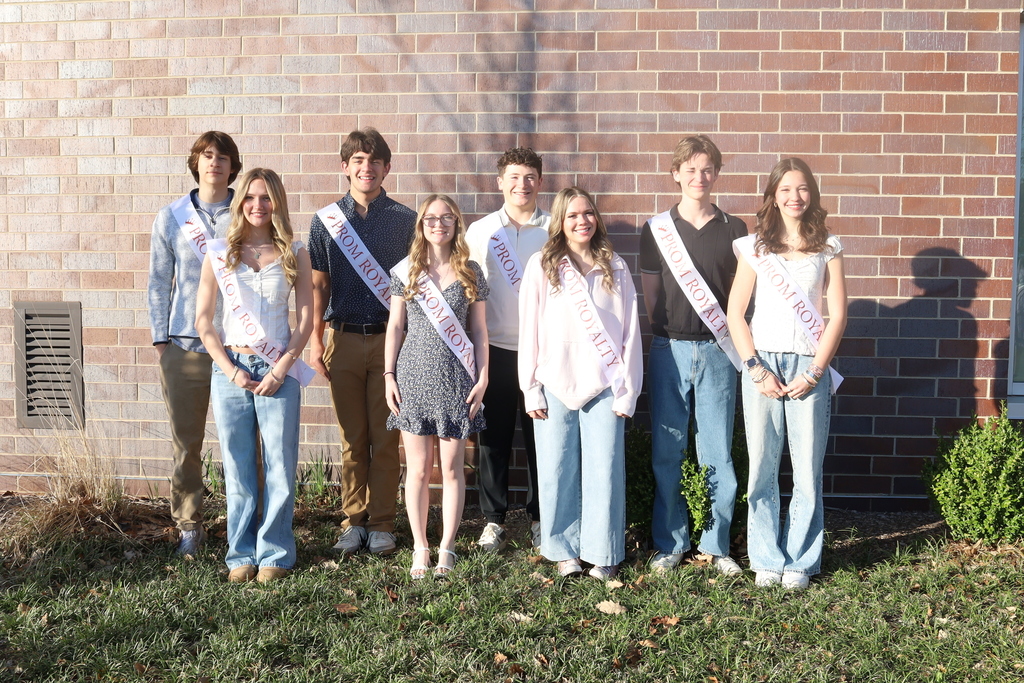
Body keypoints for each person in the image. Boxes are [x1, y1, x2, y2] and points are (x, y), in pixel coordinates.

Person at [726, 158, 847, 591]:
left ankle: (800, 559)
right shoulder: (754, 248)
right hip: (763, 366)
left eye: (803, 189)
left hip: (808, 367)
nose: (795, 197)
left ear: (812, 194)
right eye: (786, 190)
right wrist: (754, 367)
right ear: (773, 196)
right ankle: (765, 556)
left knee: (806, 468)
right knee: (761, 465)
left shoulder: (828, 246)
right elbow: (735, 314)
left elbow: (837, 316)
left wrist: (816, 371)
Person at [195, 168, 315, 583]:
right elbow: (204, 322)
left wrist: (282, 368)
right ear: (239, 201)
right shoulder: (219, 254)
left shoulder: (295, 252)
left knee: (280, 464)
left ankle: (276, 554)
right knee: (238, 465)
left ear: (277, 202)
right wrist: (230, 371)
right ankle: (241, 553)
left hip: (278, 369)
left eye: (266, 198)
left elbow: (305, 320)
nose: (257, 205)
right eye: (250, 197)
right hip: (232, 368)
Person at [519, 187, 643, 580]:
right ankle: (563, 550)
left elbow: (630, 333)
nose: (582, 221)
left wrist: (628, 390)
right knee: (556, 470)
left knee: (605, 469)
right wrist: (530, 387)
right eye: (572, 215)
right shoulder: (542, 265)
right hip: (554, 383)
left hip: (604, 386)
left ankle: (602, 551)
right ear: (560, 221)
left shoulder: (616, 267)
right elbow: (529, 331)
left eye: (588, 213)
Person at [638, 136, 748, 576]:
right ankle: (670, 542)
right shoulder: (656, 229)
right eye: (690, 169)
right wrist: (671, 333)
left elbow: (743, 297)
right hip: (670, 348)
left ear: (716, 174)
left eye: (707, 169)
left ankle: (717, 543)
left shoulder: (736, 229)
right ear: (675, 174)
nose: (698, 177)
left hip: (720, 351)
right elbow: (652, 296)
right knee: (669, 449)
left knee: (717, 449)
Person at [307, 128, 416, 556]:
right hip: (344, 339)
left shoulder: (407, 221)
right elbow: (318, 286)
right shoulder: (326, 220)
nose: (365, 168)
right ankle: (353, 521)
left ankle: (384, 523)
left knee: (387, 438)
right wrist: (315, 342)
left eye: (374, 161)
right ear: (345, 168)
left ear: (387, 168)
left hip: (394, 343)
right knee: (352, 438)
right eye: (357, 161)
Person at [384, 195, 489, 578]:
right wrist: (389, 375)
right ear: (421, 225)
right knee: (416, 470)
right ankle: (420, 548)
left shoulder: (470, 271)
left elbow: (478, 330)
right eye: (431, 218)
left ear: (456, 224)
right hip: (412, 377)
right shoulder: (407, 271)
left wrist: (484, 376)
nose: (438, 224)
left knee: (451, 470)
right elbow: (395, 326)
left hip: (457, 379)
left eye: (446, 217)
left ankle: (447, 548)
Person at [148, 131, 242, 556]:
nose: (214, 164)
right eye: (207, 156)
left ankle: (246, 522)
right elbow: (158, 282)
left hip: (239, 347)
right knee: (187, 444)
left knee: (242, 442)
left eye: (223, 157)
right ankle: (189, 524)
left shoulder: (248, 212)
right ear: (196, 162)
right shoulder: (171, 217)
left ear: (232, 166)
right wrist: (160, 342)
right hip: (184, 348)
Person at [465, 148, 549, 553]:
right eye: (514, 177)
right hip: (494, 350)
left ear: (540, 181)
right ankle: (493, 520)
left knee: (542, 439)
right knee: (492, 440)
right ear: (500, 182)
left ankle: (540, 518)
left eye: (530, 176)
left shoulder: (555, 228)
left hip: (543, 355)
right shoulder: (480, 231)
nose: (522, 185)